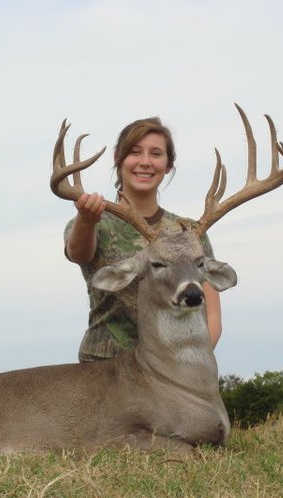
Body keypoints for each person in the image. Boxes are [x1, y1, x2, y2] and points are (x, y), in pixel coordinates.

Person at [64, 116, 222, 362]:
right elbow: (79, 253)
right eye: (135, 152)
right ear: (118, 158)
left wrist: (188, 366)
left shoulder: (191, 232)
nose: (145, 162)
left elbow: (211, 316)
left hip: (176, 369)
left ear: (168, 164)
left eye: (156, 154)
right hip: (104, 372)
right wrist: (86, 218)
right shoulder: (96, 222)